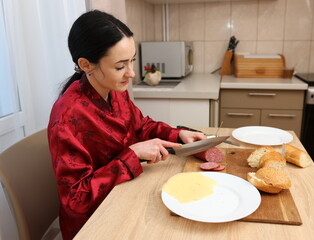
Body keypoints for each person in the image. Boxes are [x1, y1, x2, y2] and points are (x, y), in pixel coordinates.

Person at [47, 10, 205, 240]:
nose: (131, 73)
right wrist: (132, 155)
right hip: (93, 223)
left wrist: (178, 134)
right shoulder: (67, 117)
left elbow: (141, 126)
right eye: (120, 66)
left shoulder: (113, 90)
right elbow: (76, 200)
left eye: (132, 61)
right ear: (86, 64)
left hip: (123, 194)